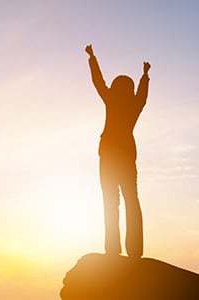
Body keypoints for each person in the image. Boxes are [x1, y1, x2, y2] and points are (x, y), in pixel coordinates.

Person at [85, 44, 150, 258]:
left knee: (111, 202)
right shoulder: (133, 106)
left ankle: (113, 250)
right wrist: (145, 76)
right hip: (124, 157)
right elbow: (141, 96)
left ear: (116, 88)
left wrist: (93, 58)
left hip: (110, 156)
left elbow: (98, 82)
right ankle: (134, 251)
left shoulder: (112, 101)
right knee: (131, 200)